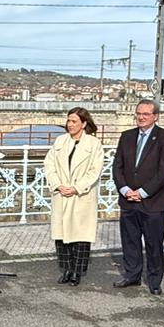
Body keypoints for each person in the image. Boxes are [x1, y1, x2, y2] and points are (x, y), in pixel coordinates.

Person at [112, 100, 164, 295]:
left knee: (153, 243)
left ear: (155, 116)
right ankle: (132, 275)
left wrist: (142, 192)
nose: (141, 117)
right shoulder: (126, 136)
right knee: (130, 240)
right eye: (138, 113)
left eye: (146, 114)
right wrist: (124, 189)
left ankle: (154, 280)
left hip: (154, 202)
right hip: (128, 200)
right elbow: (117, 167)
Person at [43, 107, 105, 285]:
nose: (69, 124)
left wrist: (77, 187)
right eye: (68, 121)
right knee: (62, 236)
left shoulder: (94, 144)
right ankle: (66, 269)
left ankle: (77, 272)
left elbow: (95, 171)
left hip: (81, 197)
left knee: (80, 237)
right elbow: (49, 164)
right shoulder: (60, 141)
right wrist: (57, 184)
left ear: (84, 124)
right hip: (61, 194)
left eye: (74, 121)